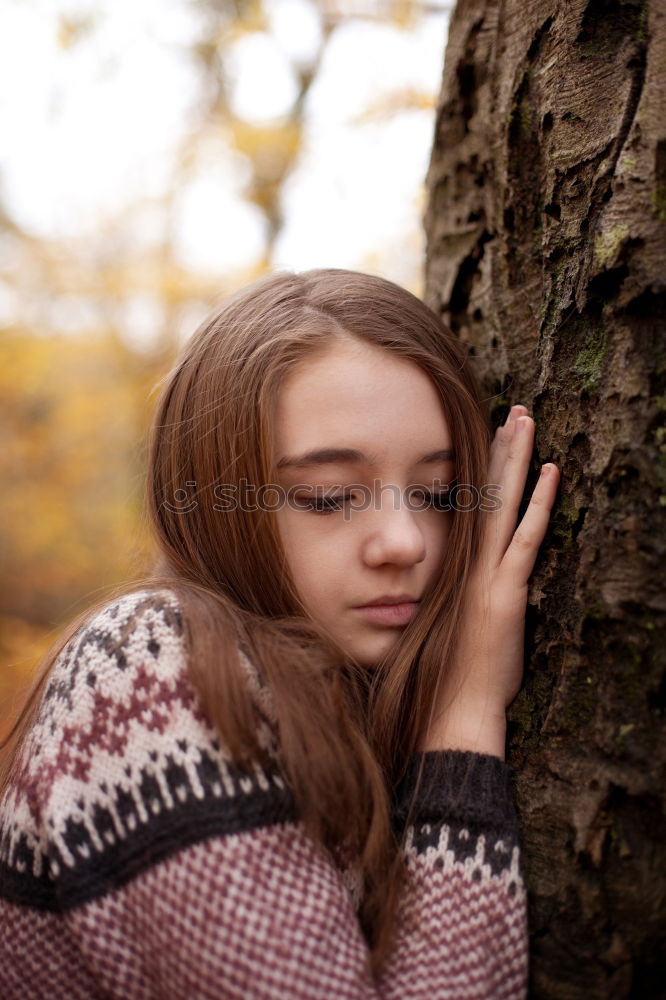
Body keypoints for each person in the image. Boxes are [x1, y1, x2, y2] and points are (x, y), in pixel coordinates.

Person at [0, 269, 559, 999]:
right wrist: (465, 726)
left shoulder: (349, 689)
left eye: (439, 493)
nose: (405, 541)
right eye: (327, 497)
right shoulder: (149, 669)